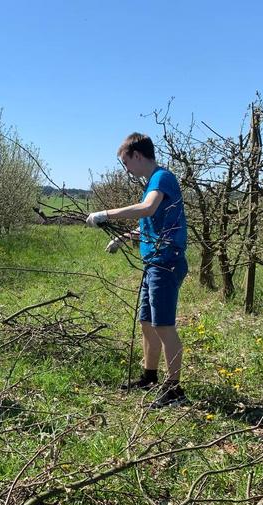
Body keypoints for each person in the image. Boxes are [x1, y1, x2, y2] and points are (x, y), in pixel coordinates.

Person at [86, 132, 188, 407]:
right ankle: (150, 376)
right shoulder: (153, 182)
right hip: (154, 262)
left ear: (137, 155)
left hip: (166, 262)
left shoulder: (162, 178)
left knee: (164, 326)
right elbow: (151, 223)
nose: (127, 169)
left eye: (126, 163)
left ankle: (175, 389)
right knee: (147, 323)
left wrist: (106, 214)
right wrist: (123, 238)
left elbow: (147, 208)